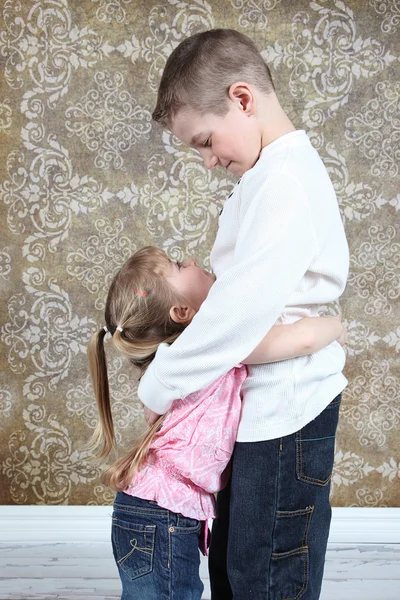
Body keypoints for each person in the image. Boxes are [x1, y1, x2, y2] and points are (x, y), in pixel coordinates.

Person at [137, 29, 350, 600]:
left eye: (206, 141)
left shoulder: (284, 181)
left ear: (243, 99)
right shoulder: (265, 179)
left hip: (288, 412)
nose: (208, 161)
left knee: (266, 575)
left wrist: (165, 378)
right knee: (236, 567)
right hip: (262, 410)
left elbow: (237, 316)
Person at [87, 246, 347, 600]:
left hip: (155, 512)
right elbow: (300, 339)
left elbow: (153, 391)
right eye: (179, 265)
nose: (192, 260)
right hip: (161, 516)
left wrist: (155, 401)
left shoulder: (196, 352)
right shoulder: (210, 343)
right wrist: (336, 327)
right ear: (181, 312)